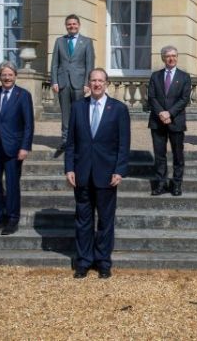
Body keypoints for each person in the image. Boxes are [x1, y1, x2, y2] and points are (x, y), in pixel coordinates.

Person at [65, 68, 130, 279]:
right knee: (83, 221)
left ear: (106, 83)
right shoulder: (77, 107)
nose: (97, 84)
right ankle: (83, 261)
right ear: (89, 83)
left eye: (100, 80)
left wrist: (119, 170)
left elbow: (123, 144)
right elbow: (71, 142)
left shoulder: (118, 109)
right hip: (82, 173)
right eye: (93, 80)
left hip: (107, 174)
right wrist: (69, 168)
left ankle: (103, 261)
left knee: (105, 221)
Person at [0, 61, 34, 235]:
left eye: (10, 74)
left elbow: (28, 124)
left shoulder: (23, 95)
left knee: (11, 185)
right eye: (4, 74)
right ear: (0, 76)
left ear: (15, 76)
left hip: (14, 148)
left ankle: (12, 219)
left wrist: (25, 147)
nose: (7, 77)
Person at [147, 45, 192, 196]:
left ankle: (177, 184)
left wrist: (169, 113)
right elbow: (151, 97)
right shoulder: (155, 76)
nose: (171, 58)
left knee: (178, 155)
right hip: (157, 121)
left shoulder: (184, 77)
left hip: (176, 121)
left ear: (177, 57)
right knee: (159, 155)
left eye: (174, 55)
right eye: (168, 56)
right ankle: (161, 184)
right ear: (163, 58)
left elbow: (184, 99)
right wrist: (161, 112)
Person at [51, 14, 95, 157]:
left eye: (74, 24)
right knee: (65, 113)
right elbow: (54, 64)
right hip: (63, 82)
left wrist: (88, 83)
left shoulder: (87, 42)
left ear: (79, 25)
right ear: (66, 26)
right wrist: (54, 81)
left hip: (79, 83)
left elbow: (89, 64)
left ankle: (80, 140)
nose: (72, 26)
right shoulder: (59, 41)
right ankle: (65, 140)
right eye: (69, 24)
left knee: (80, 113)